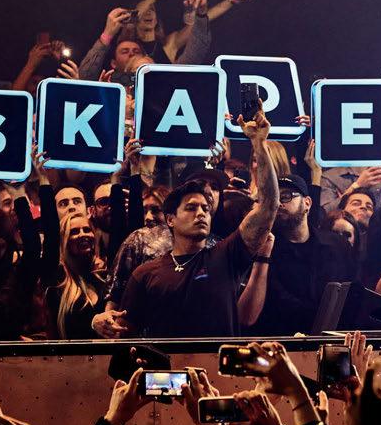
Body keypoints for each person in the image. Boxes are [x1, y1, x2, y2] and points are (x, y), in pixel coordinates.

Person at [119, 109, 278, 337]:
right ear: (170, 219)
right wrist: (102, 322)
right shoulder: (145, 274)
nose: (201, 213)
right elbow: (124, 335)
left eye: (205, 208)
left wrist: (259, 143)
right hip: (164, 362)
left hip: (218, 361)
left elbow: (268, 206)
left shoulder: (226, 256)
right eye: (191, 208)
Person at [250, 174, 354, 335]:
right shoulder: (265, 249)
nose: (278, 203)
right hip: (280, 340)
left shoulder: (337, 246)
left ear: (307, 203)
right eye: (273, 198)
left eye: (286, 196)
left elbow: (352, 294)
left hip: (331, 339)